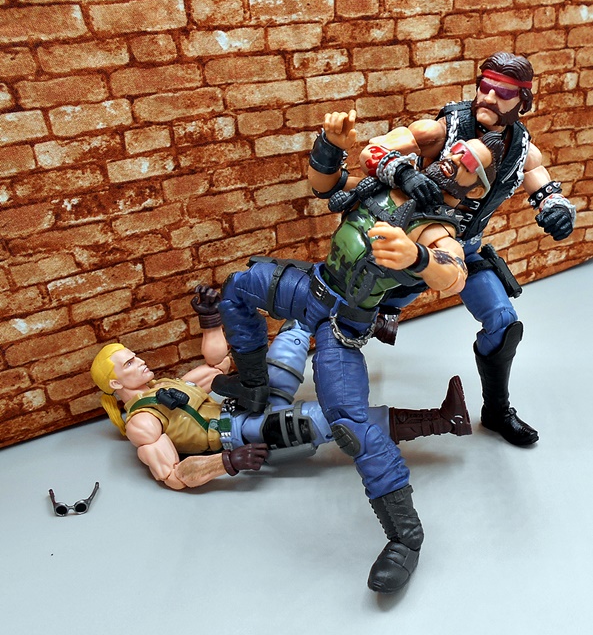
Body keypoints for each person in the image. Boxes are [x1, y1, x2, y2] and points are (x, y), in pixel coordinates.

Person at [212, 133, 498, 593]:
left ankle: (405, 537)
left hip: (341, 324)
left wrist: (417, 257)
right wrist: (330, 144)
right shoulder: (391, 179)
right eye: (455, 151)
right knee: (237, 287)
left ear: (475, 188)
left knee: (349, 423)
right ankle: (253, 385)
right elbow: (324, 184)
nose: (453, 161)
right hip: (311, 287)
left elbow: (453, 273)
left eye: (467, 163)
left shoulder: (436, 229)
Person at [353, 52, 576, 447]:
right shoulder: (442, 130)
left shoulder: (522, 149)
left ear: (522, 101)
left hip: (465, 252)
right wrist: (403, 172)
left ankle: (497, 410)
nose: (488, 97)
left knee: (504, 323)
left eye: (502, 93)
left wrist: (556, 209)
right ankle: (338, 400)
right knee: (348, 314)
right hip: (412, 246)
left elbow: (543, 183)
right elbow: (373, 151)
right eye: (484, 87)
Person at [90, 286, 471, 490]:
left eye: (134, 356)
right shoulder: (142, 423)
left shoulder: (166, 384)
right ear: (115, 383)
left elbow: (217, 365)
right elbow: (173, 475)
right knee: (333, 420)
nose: (140, 362)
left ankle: (370, 317)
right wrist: (228, 462)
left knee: (295, 331)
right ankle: (442, 420)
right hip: (241, 433)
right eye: (129, 363)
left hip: (247, 404)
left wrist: (210, 320)